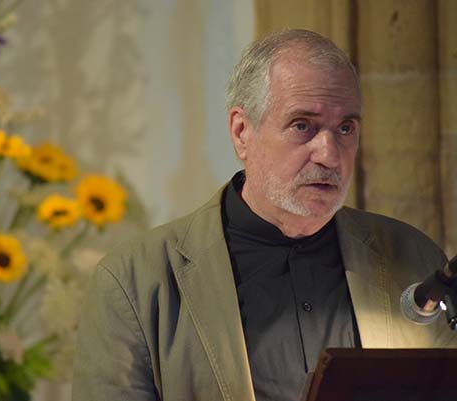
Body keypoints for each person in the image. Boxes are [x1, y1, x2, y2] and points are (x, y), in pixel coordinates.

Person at [72, 29, 454, 401]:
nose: (329, 154)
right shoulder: (135, 282)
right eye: (302, 125)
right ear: (242, 132)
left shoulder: (414, 259)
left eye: (345, 128)